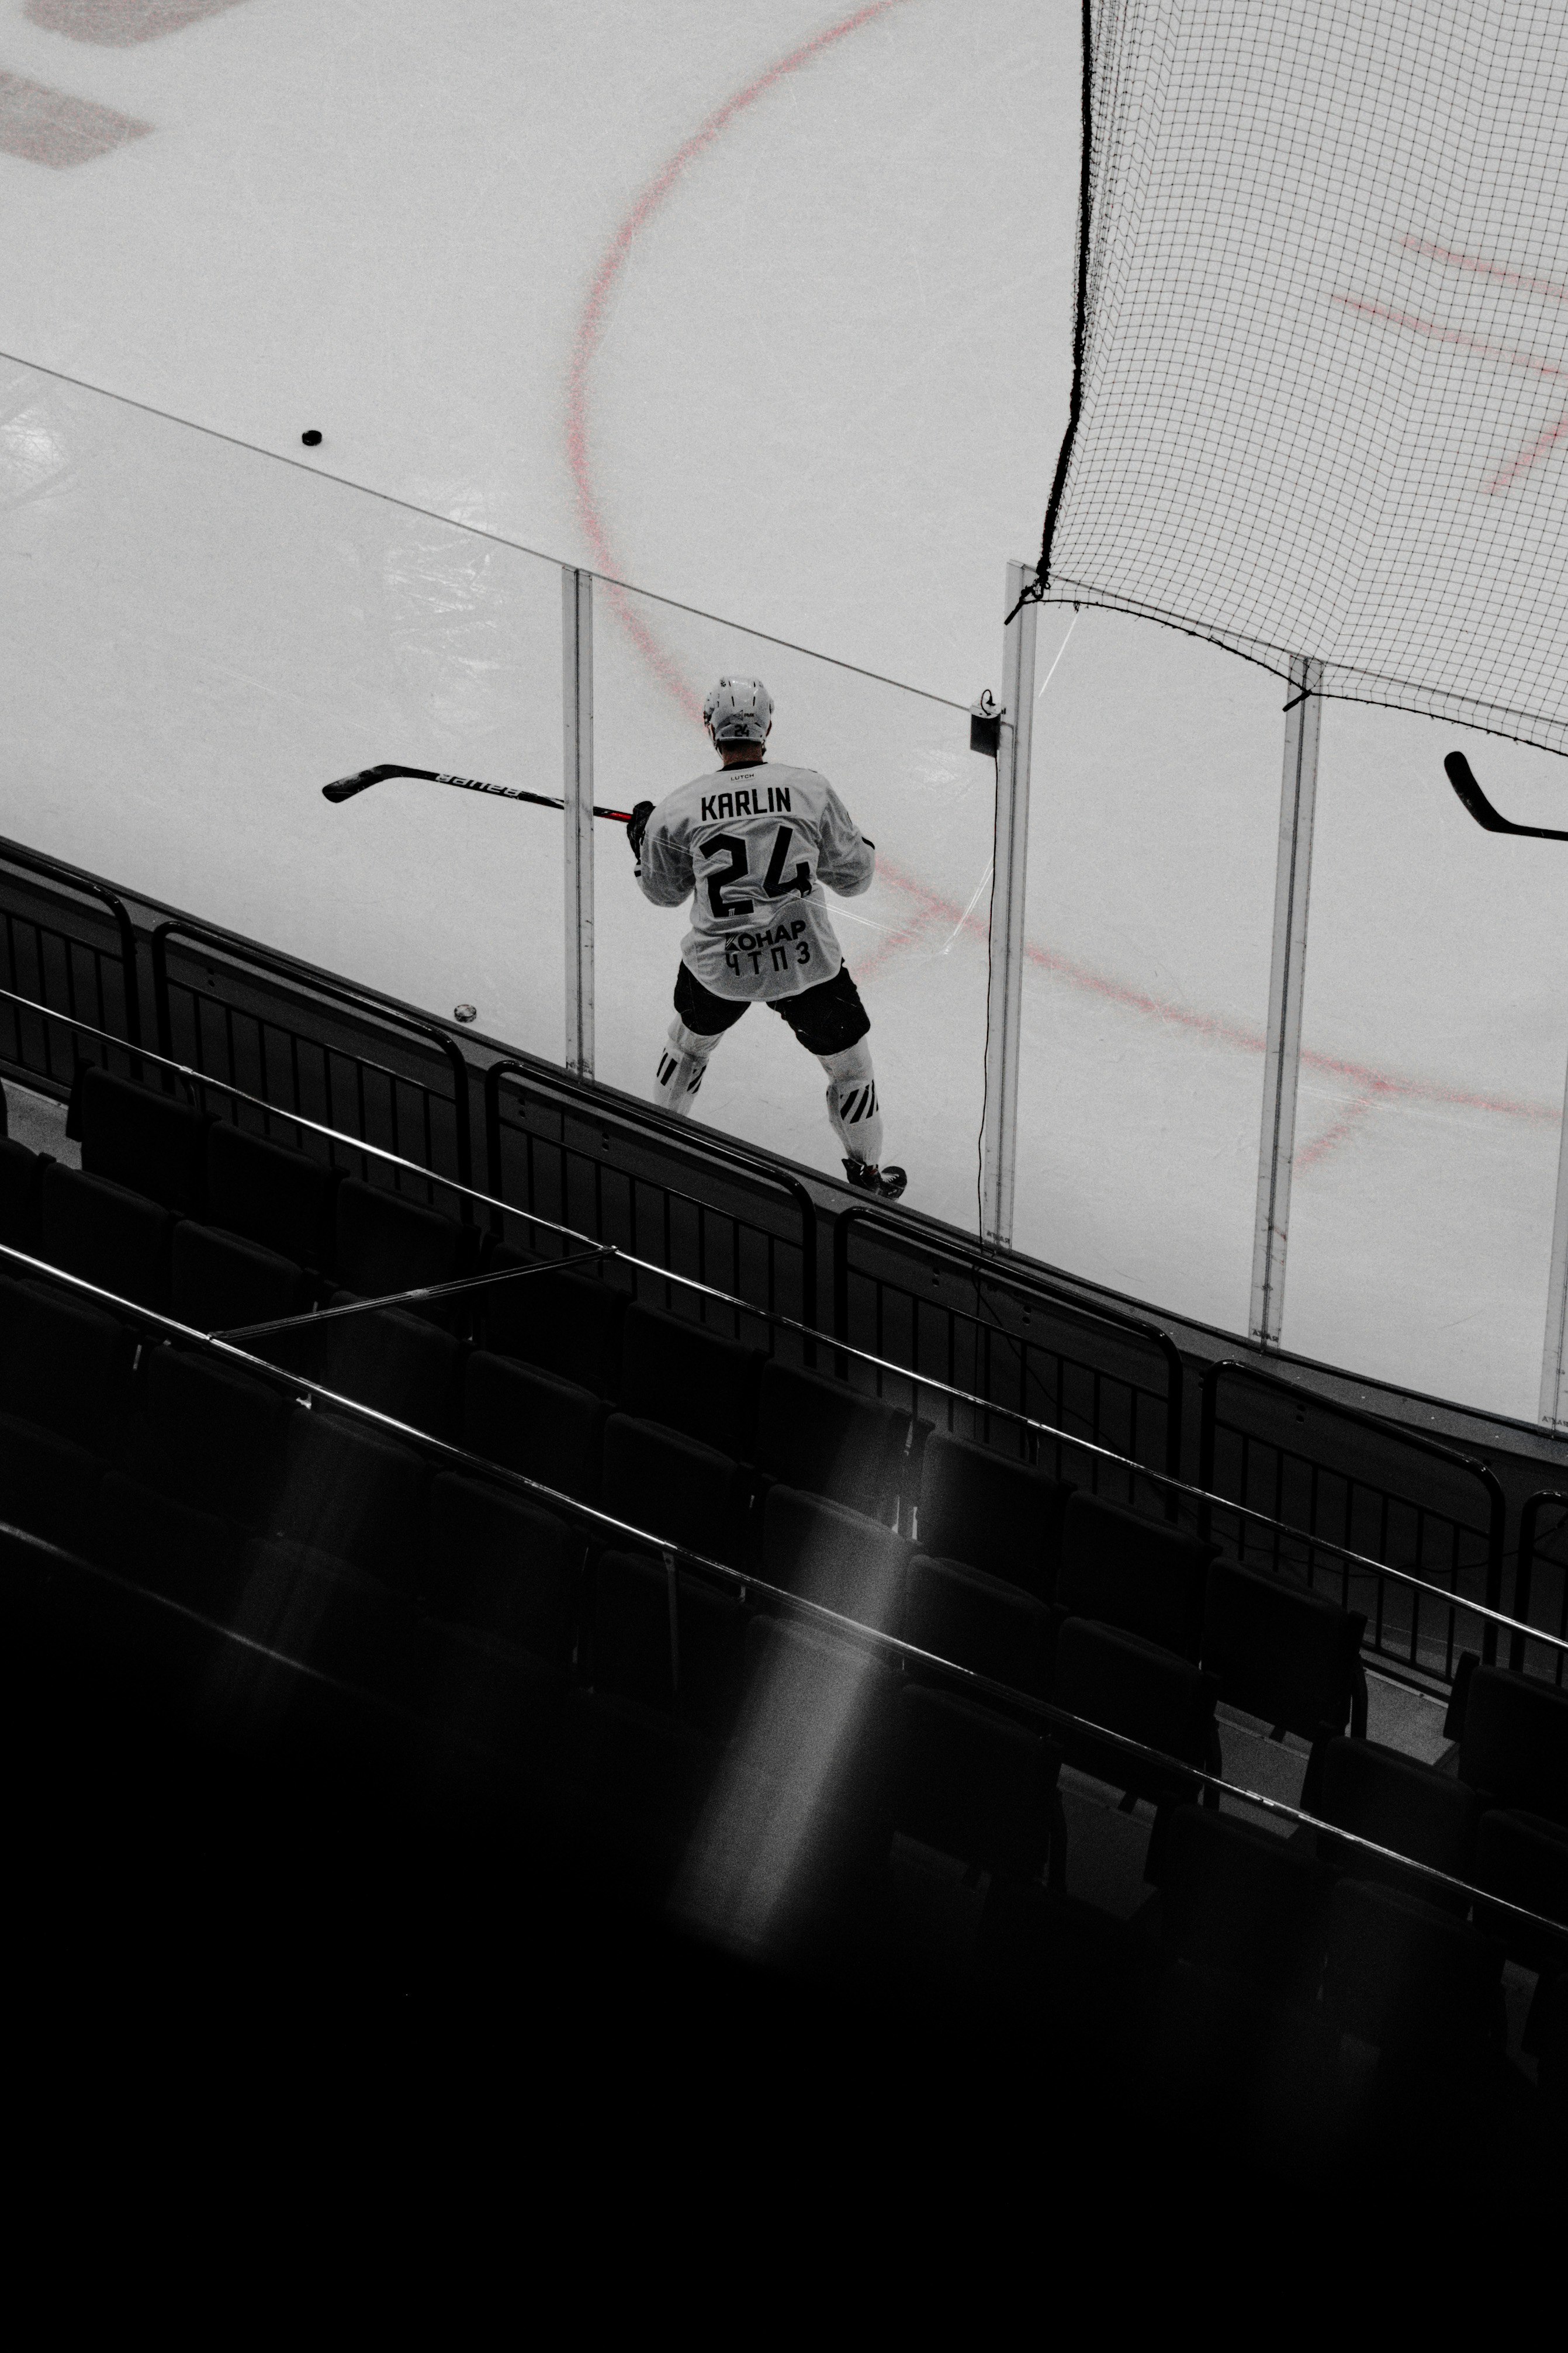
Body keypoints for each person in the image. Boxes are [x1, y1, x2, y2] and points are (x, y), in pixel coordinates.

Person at [626, 675, 906, 1199]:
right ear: (768, 725)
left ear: (710, 727)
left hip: (719, 964)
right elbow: (856, 878)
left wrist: (643, 840)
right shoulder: (808, 788)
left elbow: (661, 893)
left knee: (688, 1045)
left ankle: (660, 1139)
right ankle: (866, 1174)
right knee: (850, 1066)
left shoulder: (680, 807)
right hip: (804, 961)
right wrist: (856, 846)